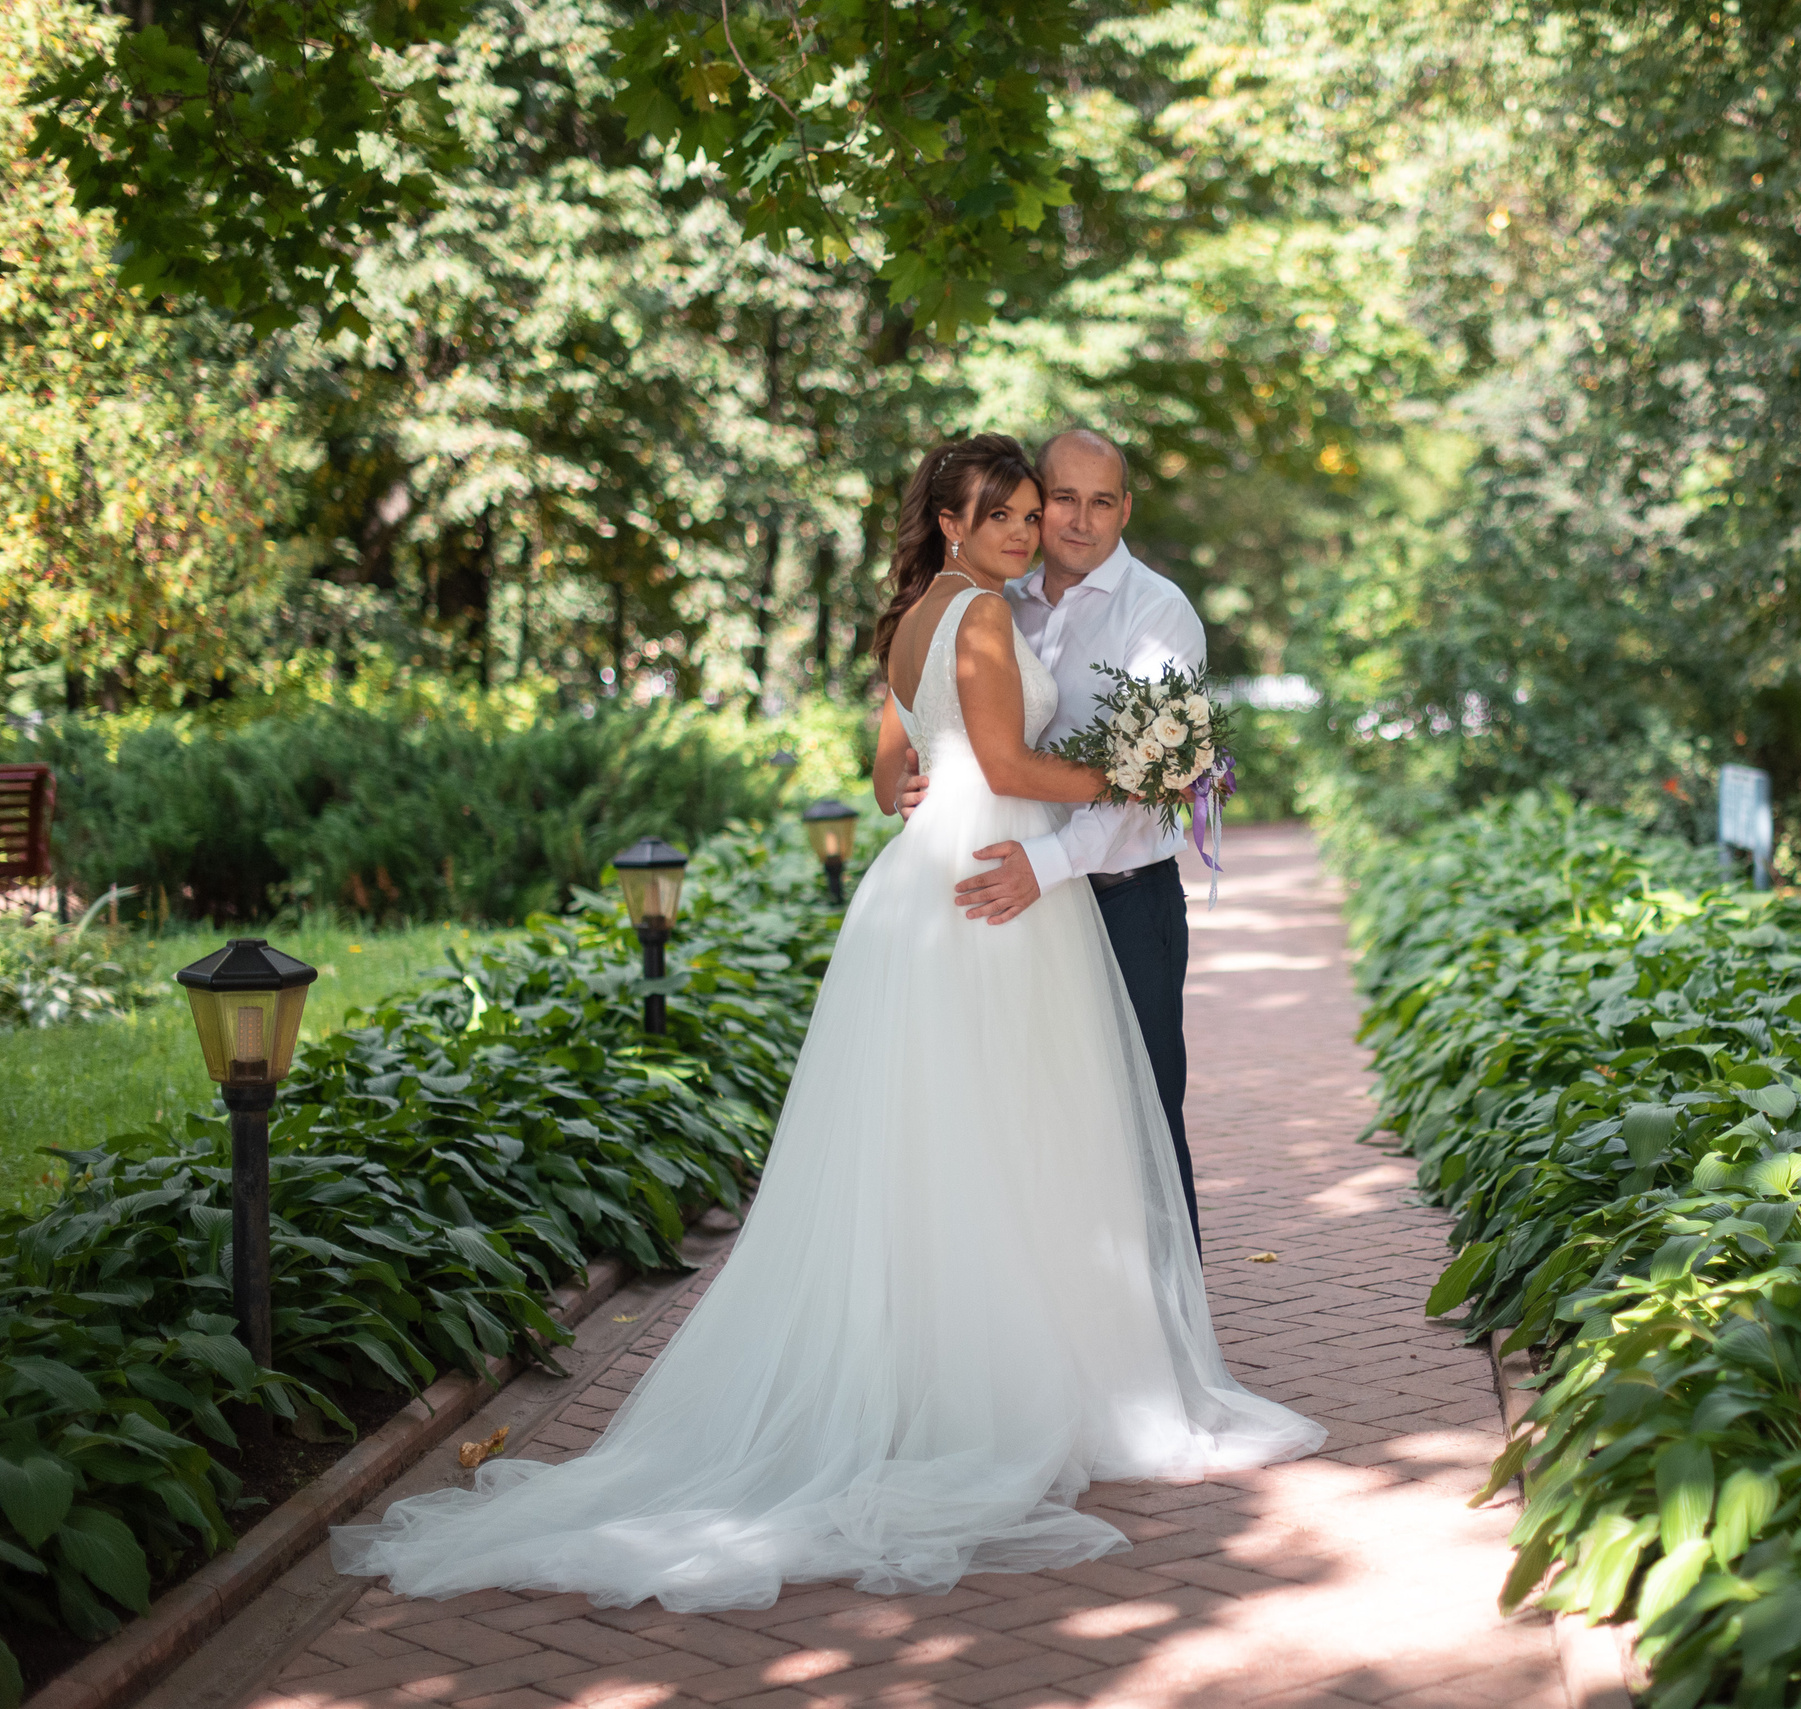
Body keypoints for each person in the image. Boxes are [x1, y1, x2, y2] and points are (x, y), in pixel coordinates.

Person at [328, 434, 1321, 1613]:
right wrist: (1148, 773)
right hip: (989, 882)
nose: (1044, 524)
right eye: (1022, 508)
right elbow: (995, 754)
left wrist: (958, 783)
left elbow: (898, 753)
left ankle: (1072, 1364)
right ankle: (1013, 1389)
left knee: (1067, 1121)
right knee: (1016, 1127)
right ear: (962, 521)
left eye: (1068, 505)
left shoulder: (1039, 610)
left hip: (994, 882)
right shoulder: (994, 611)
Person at [894, 427, 1207, 1250]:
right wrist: (914, 782)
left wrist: (1051, 859)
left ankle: (1173, 1341)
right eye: (1057, 499)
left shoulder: (1158, 613)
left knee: (1144, 1123)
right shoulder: (1002, 598)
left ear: (1125, 509)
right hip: (1019, 910)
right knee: (1041, 1134)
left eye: (1100, 501)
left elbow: (1154, 781)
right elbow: (947, 736)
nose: (1073, 519)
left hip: (1121, 902)